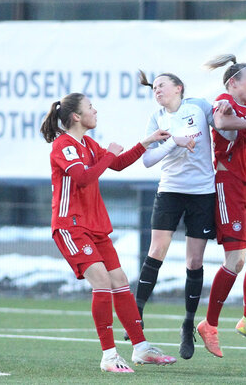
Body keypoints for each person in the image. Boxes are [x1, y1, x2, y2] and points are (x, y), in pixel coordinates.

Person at [40, 93, 177, 372]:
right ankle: (109, 357)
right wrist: (111, 153)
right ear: (76, 116)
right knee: (102, 281)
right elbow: (83, 177)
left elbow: (117, 163)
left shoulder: (87, 143)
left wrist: (146, 142)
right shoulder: (63, 146)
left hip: (94, 226)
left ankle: (140, 348)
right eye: (90, 107)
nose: (95, 110)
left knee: (120, 280)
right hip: (70, 226)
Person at [193, 55, 246, 357]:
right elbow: (221, 122)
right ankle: (210, 325)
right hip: (228, 186)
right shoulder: (223, 102)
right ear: (233, 83)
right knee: (236, 260)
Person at [131, 71, 218, 360]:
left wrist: (228, 111)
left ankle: (188, 324)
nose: (157, 91)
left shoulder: (199, 106)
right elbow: (146, 159)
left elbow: (223, 127)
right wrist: (174, 142)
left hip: (202, 192)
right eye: (154, 87)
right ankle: (137, 313)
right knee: (157, 250)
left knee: (194, 261)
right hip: (170, 190)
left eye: (162, 86)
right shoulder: (157, 118)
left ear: (178, 88)